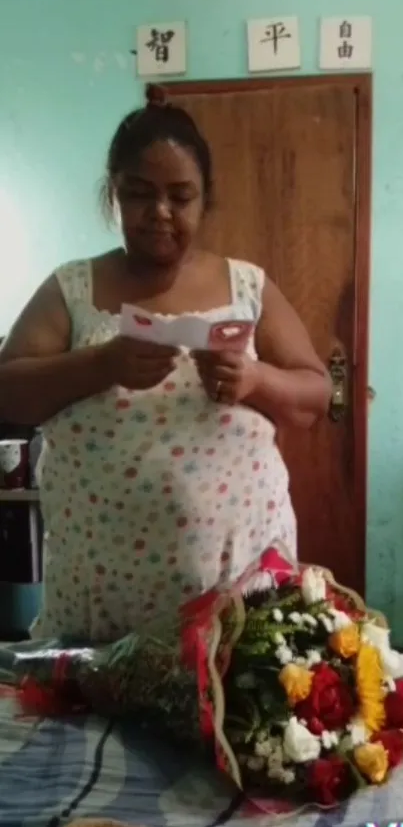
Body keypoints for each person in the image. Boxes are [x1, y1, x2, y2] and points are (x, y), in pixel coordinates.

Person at [0, 84, 331, 642]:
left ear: (206, 200)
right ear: (114, 195)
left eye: (180, 197)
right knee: (94, 726)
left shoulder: (246, 286)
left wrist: (254, 378)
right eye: (138, 194)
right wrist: (102, 364)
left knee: (230, 716)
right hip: (98, 607)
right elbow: (7, 391)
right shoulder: (72, 288)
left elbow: (315, 394)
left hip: (239, 597)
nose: (159, 213)